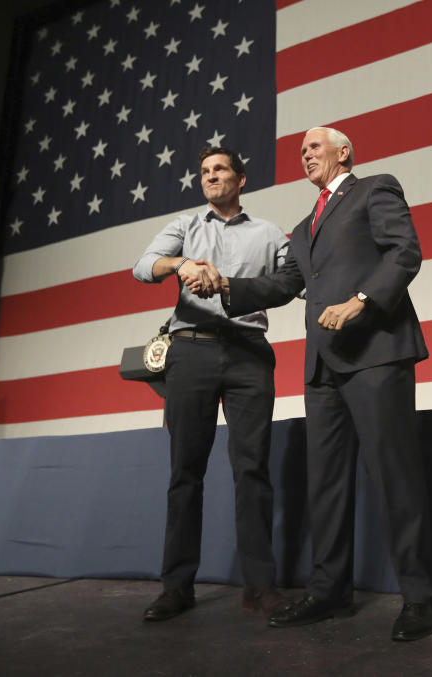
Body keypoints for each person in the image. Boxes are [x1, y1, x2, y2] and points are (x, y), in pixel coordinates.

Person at [193, 127, 432, 641]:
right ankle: (329, 592)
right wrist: (226, 286)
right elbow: (282, 286)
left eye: (314, 148)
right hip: (323, 370)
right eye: (300, 151)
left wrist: (362, 302)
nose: (304, 155)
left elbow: (404, 252)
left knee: (396, 477)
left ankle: (418, 597)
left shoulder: (375, 189)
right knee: (325, 485)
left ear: (343, 152)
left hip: (375, 355)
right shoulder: (303, 230)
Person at [132, 146, 290, 622]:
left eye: (220, 169)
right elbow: (143, 267)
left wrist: (227, 285)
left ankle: (259, 587)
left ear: (241, 179)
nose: (211, 177)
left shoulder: (268, 234)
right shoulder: (185, 226)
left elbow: (288, 284)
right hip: (191, 351)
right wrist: (180, 266)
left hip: (248, 354)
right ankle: (177, 587)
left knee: (253, 471)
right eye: (204, 172)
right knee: (185, 472)